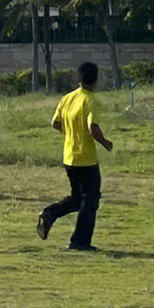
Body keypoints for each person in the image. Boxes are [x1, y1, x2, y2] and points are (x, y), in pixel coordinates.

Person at [37, 61, 113, 251]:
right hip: (86, 159)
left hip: (69, 157)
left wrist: (71, 132)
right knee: (90, 201)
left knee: (79, 199)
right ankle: (79, 242)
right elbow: (92, 127)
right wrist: (105, 143)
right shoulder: (90, 100)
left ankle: (50, 213)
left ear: (79, 78)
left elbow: (55, 123)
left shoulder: (67, 98)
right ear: (95, 79)